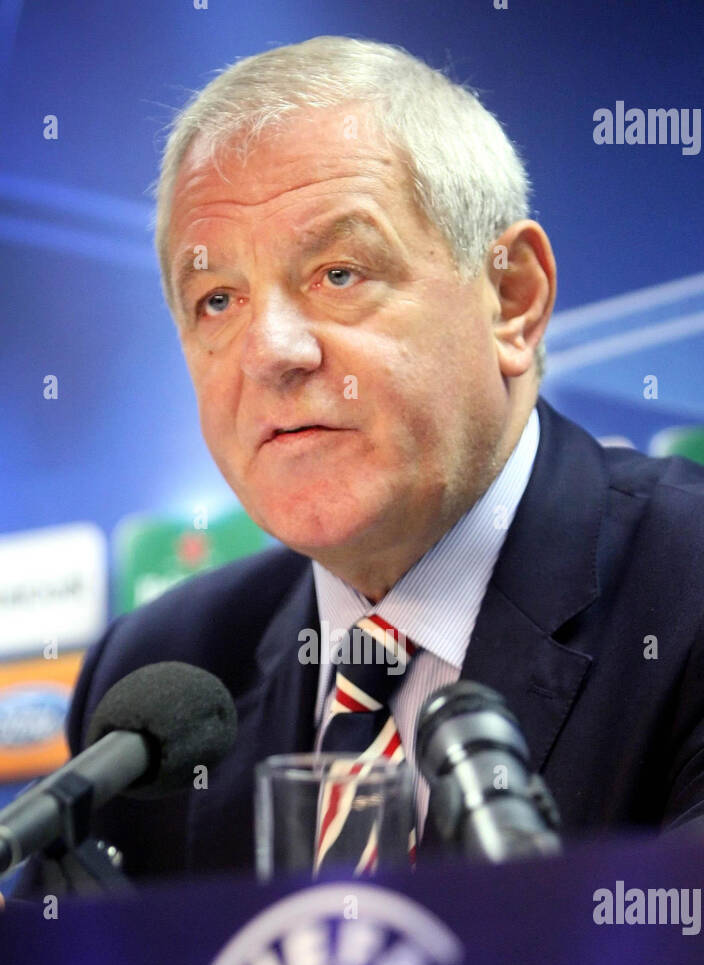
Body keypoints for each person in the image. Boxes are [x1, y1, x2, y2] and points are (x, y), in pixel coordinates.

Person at [10, 36, 704, 894]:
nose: (272, 351)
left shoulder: (687, 588)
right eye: (217, 300)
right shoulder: (160, 679)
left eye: (338, 274)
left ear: (512, 300)